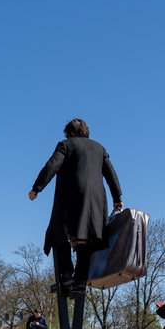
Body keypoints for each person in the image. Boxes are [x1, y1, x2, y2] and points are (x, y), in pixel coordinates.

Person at [29, 119, 123, 298]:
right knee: (88, 238)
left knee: (58, 233)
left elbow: (53, 165)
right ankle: (80, 281)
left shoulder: (66, 145)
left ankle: (66, 276)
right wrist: (117, 198)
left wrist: (36, 188)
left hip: (71, 197)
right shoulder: (99, 148)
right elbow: (111, 173)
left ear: (69, 133)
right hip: (96, 201)